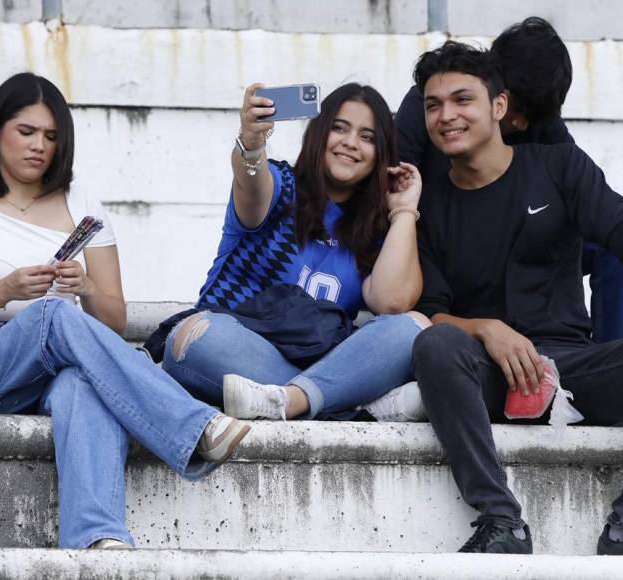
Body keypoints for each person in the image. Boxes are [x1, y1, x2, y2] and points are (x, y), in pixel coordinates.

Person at [0, 72, 250, 550]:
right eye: (26, 132)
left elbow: (113, 320)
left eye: (51, 136)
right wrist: (3, 291)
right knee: (50, 316)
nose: (39, 146)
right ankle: (194, 425)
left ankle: (97, 542)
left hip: (62, 365)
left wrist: (86, 287)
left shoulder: (82, 204)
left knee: (82, 385)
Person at [409, 42, 623, 555]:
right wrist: (484, 328)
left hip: (573, 367)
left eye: (462, 99)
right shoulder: (427, 202)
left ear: (498, 106)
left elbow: (621, 228)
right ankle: (500, 521)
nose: (447, 115)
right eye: (433, 105)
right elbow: (427, 311)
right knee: (435, 345)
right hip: (487, 373)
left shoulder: (558, 165)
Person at [160, 82, 430, 423]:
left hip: (315, 361)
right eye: (339, 128)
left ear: (381, 153)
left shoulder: (372, 232)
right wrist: (251, 144)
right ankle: (342, 408)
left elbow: (393, 303)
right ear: (318, 134)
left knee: (414, 328)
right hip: (241, 351)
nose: (350, 143)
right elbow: (251, 181)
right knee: (195, 338)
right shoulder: (281, 187)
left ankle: (292, 400)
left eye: (367, 137)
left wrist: (404, 210)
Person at [394, 16, 623, 344]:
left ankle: (609, 361)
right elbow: (388, 182)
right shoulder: (437, 103)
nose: (519, 123)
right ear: (495, 93)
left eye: (528, 117)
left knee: (614, 243)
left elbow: (591, 200)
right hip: (441, 250)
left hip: (520, 249)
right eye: (514, 110)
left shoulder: (543, 125)